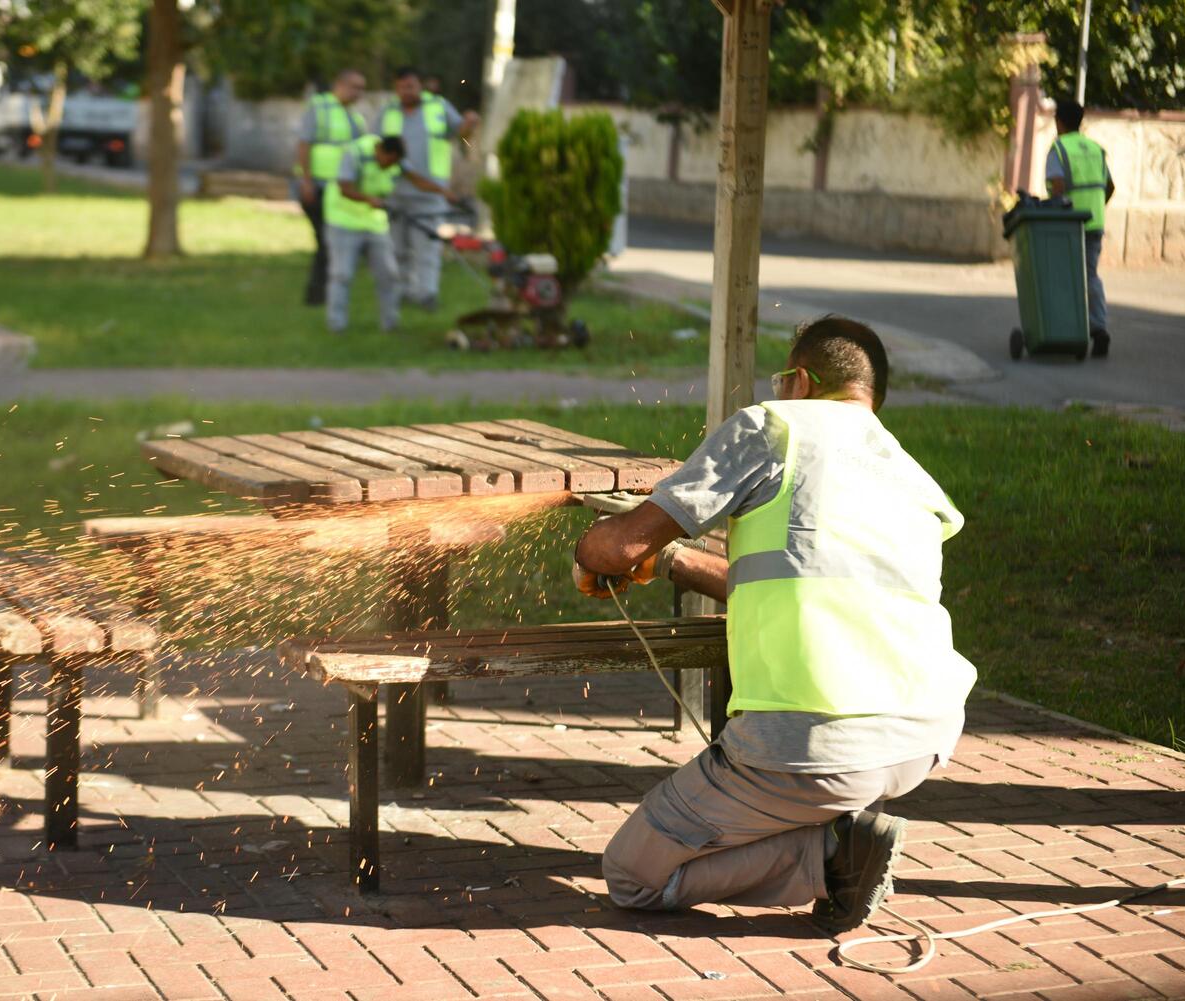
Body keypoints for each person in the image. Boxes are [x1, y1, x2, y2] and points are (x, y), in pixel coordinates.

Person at [571, 316, 977, 933]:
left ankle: (834, 854)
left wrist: (594, 549)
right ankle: (837, 831)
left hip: (811, 746)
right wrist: (672, 561)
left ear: (800, 381)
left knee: (632, 875)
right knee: (785, 801)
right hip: (925, 735)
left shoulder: (774, 427)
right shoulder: (911, 477)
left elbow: (617, 548)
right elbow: (801, 573)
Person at [324, 134, 454, 334]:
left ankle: (390, 324)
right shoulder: (355, 152)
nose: (390, 167)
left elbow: (416, 180)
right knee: (342, 275)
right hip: (344, 221)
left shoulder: (396, 161)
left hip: (375, 224)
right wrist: (368, 199)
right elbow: (344, 187)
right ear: (381, 151)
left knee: (389, 275)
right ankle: (336, 325)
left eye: (395, 163)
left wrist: (443, 192)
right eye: (388, 161)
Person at [379, 67, 480, 310]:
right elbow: (376, 146)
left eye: (411, 86)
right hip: (396, 192)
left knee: (428, 247)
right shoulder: (388, 112)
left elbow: (461, 134)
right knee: (398, 248)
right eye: (402, 87)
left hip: (430, 193)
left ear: (420, 85)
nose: (407, 91)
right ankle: (403, 291)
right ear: (396, 88)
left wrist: (469, 125)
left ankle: (427, 294)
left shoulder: (438, 107)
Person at [1046, 97, 1114, 358]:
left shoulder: (1059, 148)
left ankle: (1066, 330)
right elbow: (1109, 187)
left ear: (1059, 122)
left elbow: (1058, 186)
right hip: (1094, 221)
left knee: (1064, 277)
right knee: (1090, 275)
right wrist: (1095, 206)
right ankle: (1098, 328)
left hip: (1066, 223)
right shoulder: (1095, 149)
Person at [293, 70, 367, 306]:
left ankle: (324, 294)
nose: (359, 93)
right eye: (354, 87)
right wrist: (306, 181)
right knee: (326, 242)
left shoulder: (355, 117)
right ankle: (317, 296)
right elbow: (304, 144)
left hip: (340, 190)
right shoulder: (320, 107)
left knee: (333, 243)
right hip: (319, 186)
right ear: (340, 84)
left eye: (362, 88)